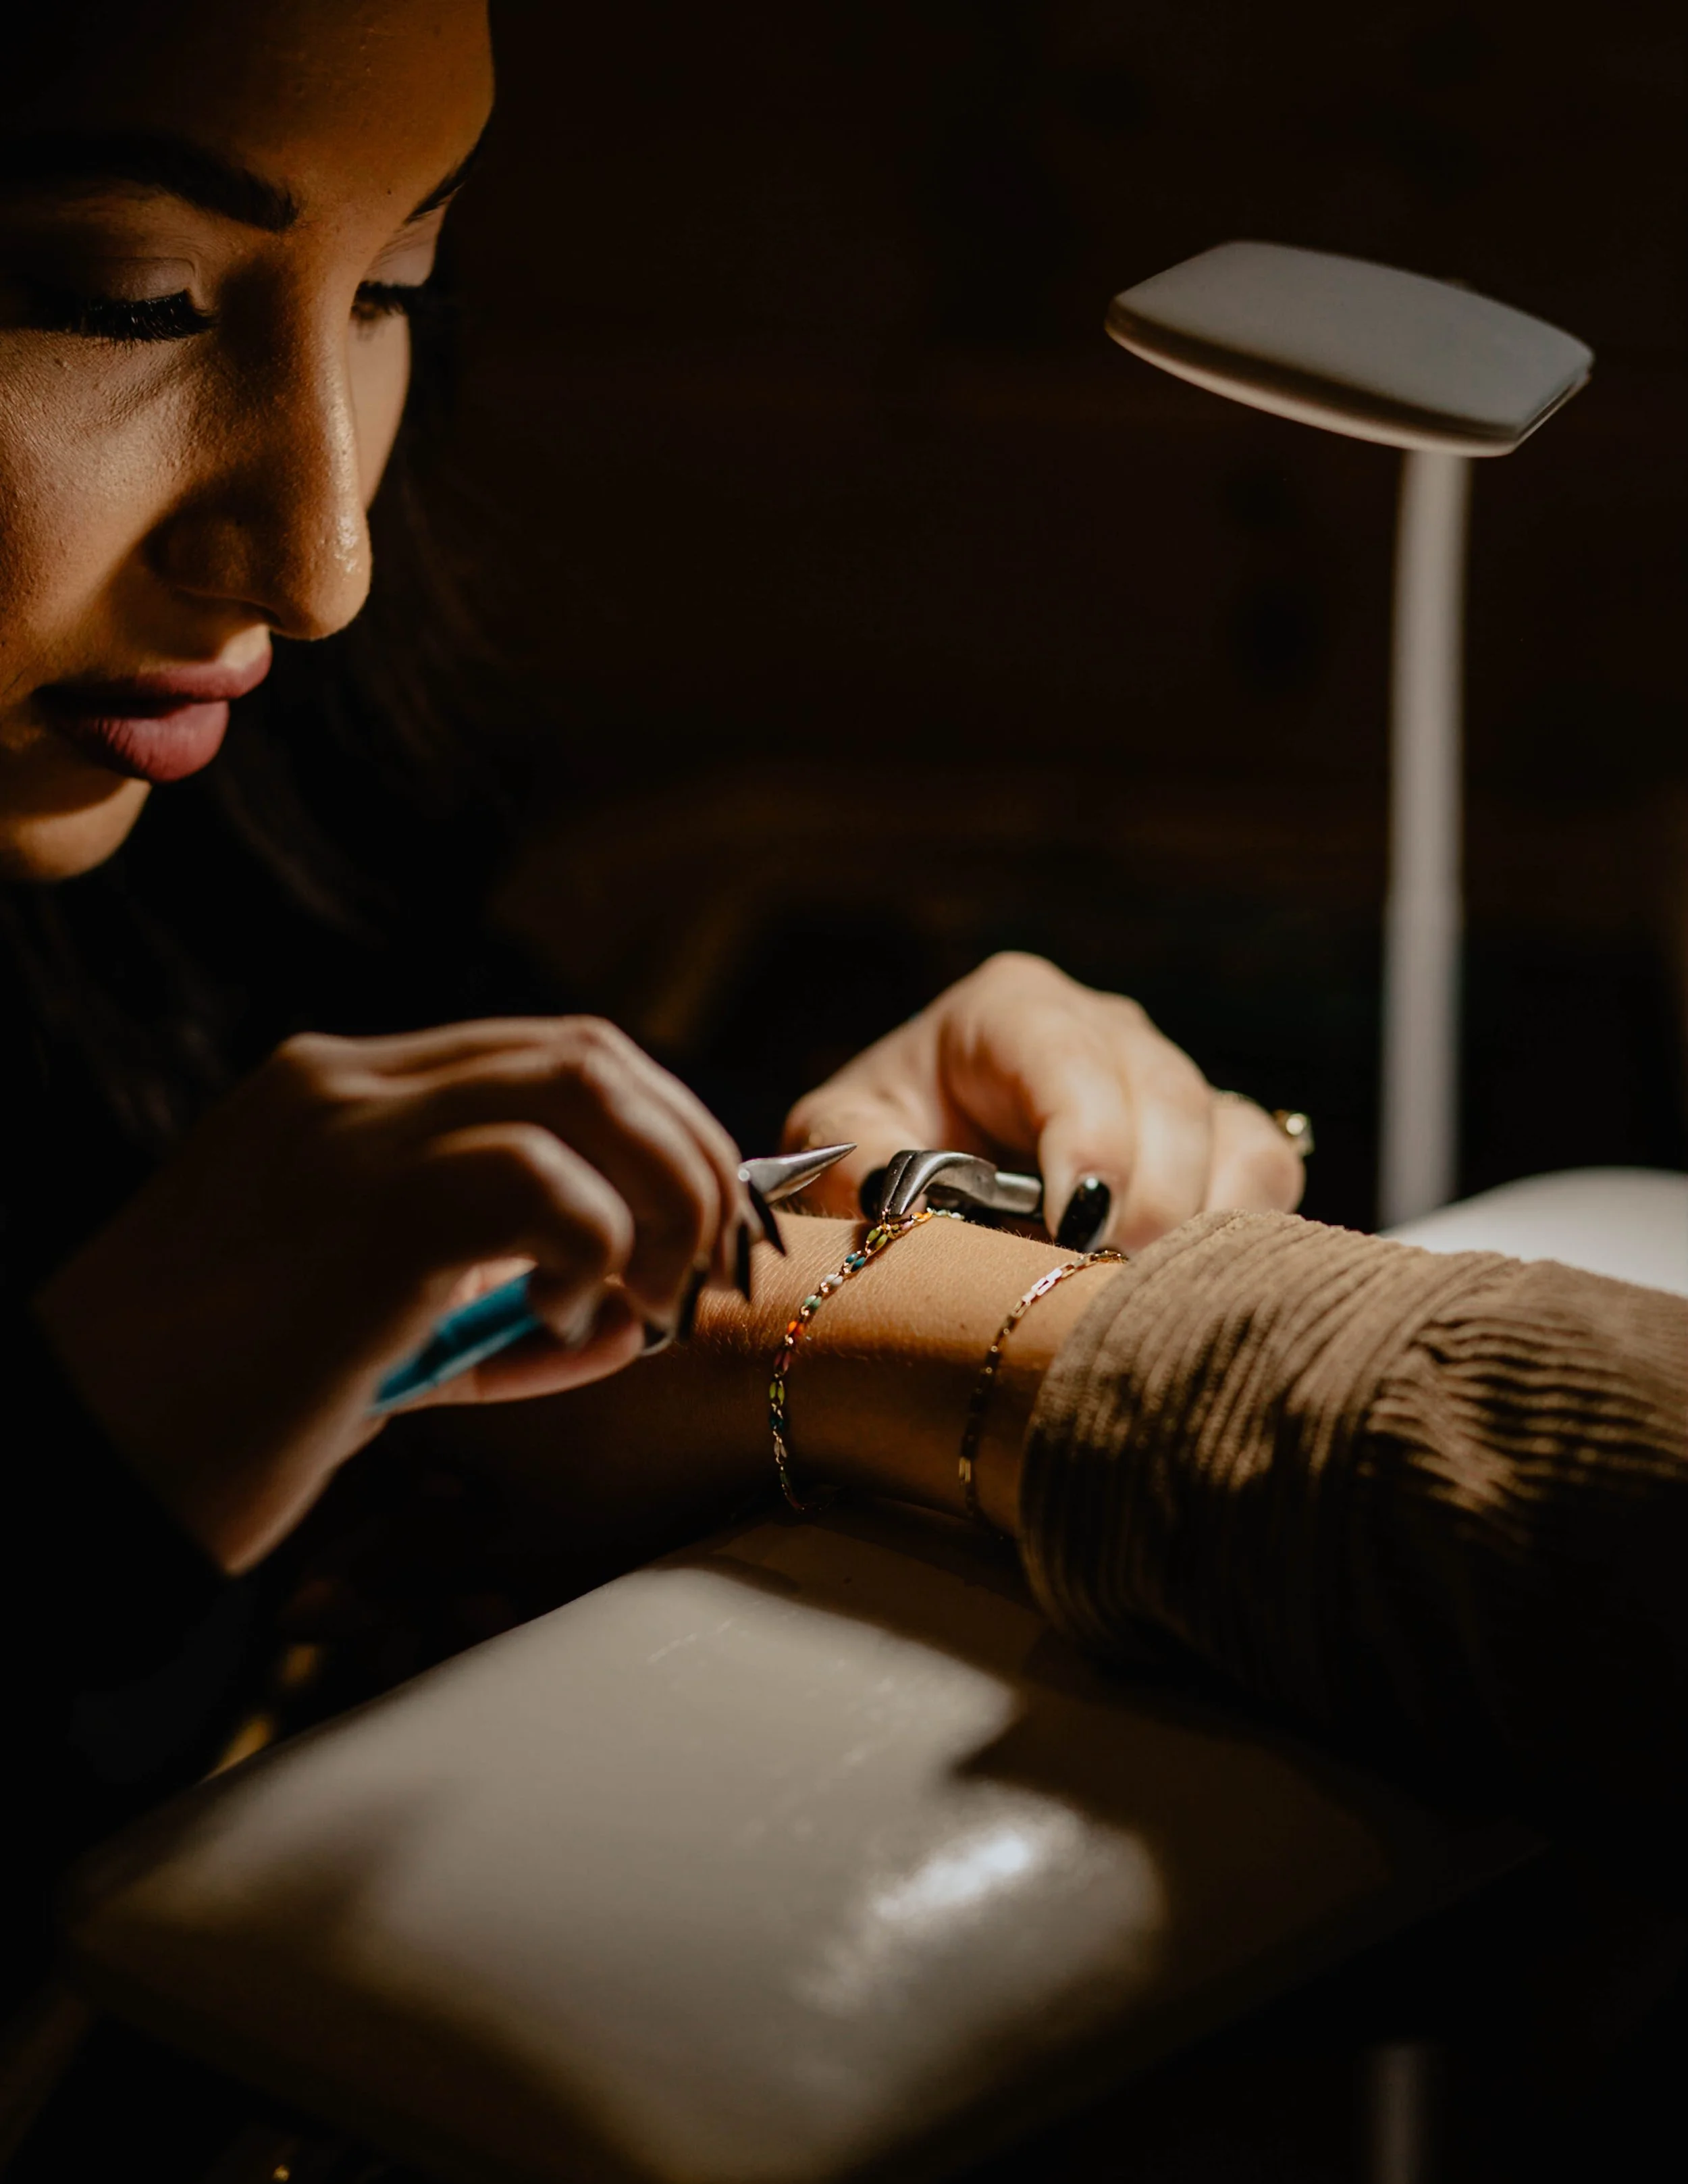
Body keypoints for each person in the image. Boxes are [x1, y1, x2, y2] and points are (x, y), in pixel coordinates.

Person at [1, 0, 1302, 1994]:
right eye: (130, 298)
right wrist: (92, 1469)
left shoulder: (228, 805)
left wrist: (795, 1161)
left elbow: (439, 1178)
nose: (317, 556)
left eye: (395, 283)